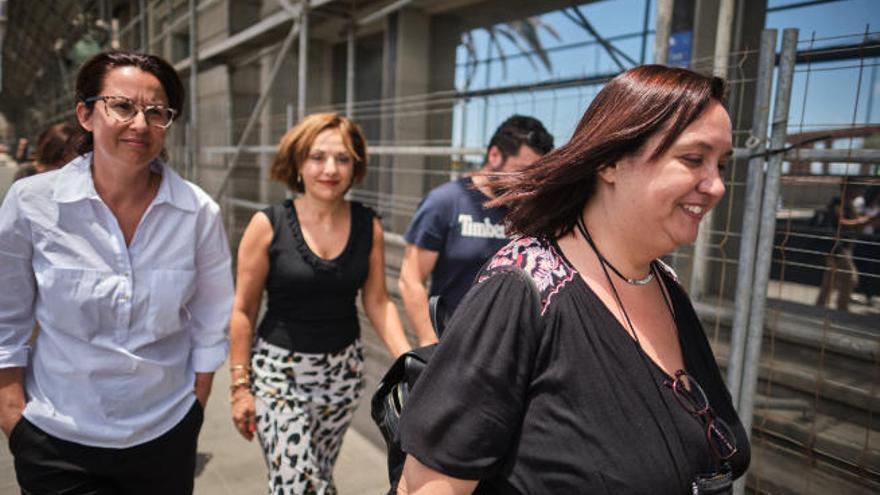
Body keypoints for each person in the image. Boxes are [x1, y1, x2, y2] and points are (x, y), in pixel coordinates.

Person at [397, 65, 751, 494]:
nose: (716, 186)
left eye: (722, 165)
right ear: (609, 162)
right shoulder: (523, 287)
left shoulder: (665, 286)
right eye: (693, 159)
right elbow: (431, 485)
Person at [0, 50, 233, 493]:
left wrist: (195, 409)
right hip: (56, 439)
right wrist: (14, 418)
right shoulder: (32, 204)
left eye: (156, 112)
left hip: (164, 436)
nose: (140, 125)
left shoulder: (197, 213)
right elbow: (5, 316)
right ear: (86, 114)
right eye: (122, 106)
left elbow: (210, 319)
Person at [229, 112, 412, 494]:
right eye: (317, 157)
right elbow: (243, 310)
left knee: (320, 475)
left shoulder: (368, 225)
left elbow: (378, 301)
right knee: (297, 486)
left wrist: (409, 363)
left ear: (355, 167)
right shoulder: (269, 224)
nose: (330, 169)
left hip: (342, 375)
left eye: (343, 159)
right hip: (279, 375)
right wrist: (240, 387)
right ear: (297, 163)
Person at [398, 116, 553, 344]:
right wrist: (430, 346)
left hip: (511, 351)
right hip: (453, 346)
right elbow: (410, 279)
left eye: (535, 175)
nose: (527, 182)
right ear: (494, 155)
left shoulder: (532, 213)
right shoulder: (445, 202)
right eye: (521, 171)